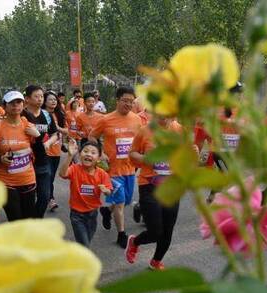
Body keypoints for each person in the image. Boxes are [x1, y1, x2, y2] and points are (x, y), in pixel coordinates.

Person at [126, 118, 184, 270]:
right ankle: (135, 242)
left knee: (168, 229)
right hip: (149, 185)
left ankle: (156, 261)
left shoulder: (180, 130)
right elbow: (132, 153)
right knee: (155, 231)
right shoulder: (145, 131)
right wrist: (147, 158)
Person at [89, 86, 142, 248]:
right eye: (125, 101)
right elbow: (92, 136)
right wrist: (100, 153)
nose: (128, 104)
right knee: (120, 202)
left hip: (130, 168)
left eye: (131, 102)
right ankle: (122, 234)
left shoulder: (136, 119)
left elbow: (141, 139)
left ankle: (106, 211)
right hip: (111, 169)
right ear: (117, 100)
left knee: (125, 201)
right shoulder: (106, 119)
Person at [0, 91, 41, 221]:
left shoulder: (28, 126)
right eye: (11, 103)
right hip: (6, 181)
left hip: (27, 179)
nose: (15, 106)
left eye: (18, 102)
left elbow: (41, 155)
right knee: (15, 220)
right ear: (4, 106)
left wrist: (38, 137)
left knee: (28, 219)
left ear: (23, 104)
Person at [59, 139, 112, 247]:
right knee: (84, 245)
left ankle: (78, 255)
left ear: (98, 158)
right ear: (79, 154)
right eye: (85, 151)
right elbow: (62, 174)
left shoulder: (102, 174)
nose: (88, 154)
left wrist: (105, 190)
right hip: (76, 215)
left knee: (86, 240)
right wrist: (69, 155)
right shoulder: (75, 169)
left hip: (93, 213)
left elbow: (109, 191)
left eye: (93, 153)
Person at [22, 85, 60, 218]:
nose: (40, 99)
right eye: (36, 96)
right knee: (29, 198)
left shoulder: (47, 115)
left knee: (44, 196)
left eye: (41, 96)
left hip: (44, 161)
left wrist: (48, 143)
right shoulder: (22, 115)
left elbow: (55, 134)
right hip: (26, 162)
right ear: (27, 99)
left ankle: (35, 220)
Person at [43, 91, 67, 212]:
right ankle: (50, 199)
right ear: (44, 102)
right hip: (45, 151)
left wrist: (57, 127)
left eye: (55, 100)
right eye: (50, 99)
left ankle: (45, 195)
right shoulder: (40, 114)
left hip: (56, 151)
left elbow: (66, 131)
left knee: (51, 177)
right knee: (48, 175)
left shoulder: (60, 114)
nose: (53, 101)